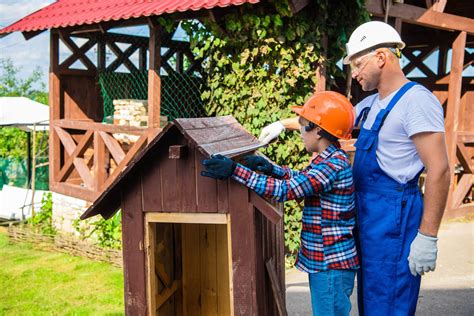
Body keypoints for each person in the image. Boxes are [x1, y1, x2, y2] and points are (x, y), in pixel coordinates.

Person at [258, 21, 451, 315]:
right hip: (366, 215)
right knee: (369, 300)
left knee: (388, 303)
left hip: (394, 218)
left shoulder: (416, 102)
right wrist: (282, 125)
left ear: (382, 58)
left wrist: (427, 236)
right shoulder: (371, 105)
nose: (355, 73)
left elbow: (439, 170)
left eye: (359, 64)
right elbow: (324, 121)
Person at [201, 91, 359, 316]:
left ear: (319, 131)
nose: (301, 133)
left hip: (330, 265)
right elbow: (302, 180)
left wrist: (235, 170)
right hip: (326, 262)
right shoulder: (328, 160)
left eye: (304, 126)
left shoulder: (331, 166)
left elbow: (286, 190)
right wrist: (272, 169)